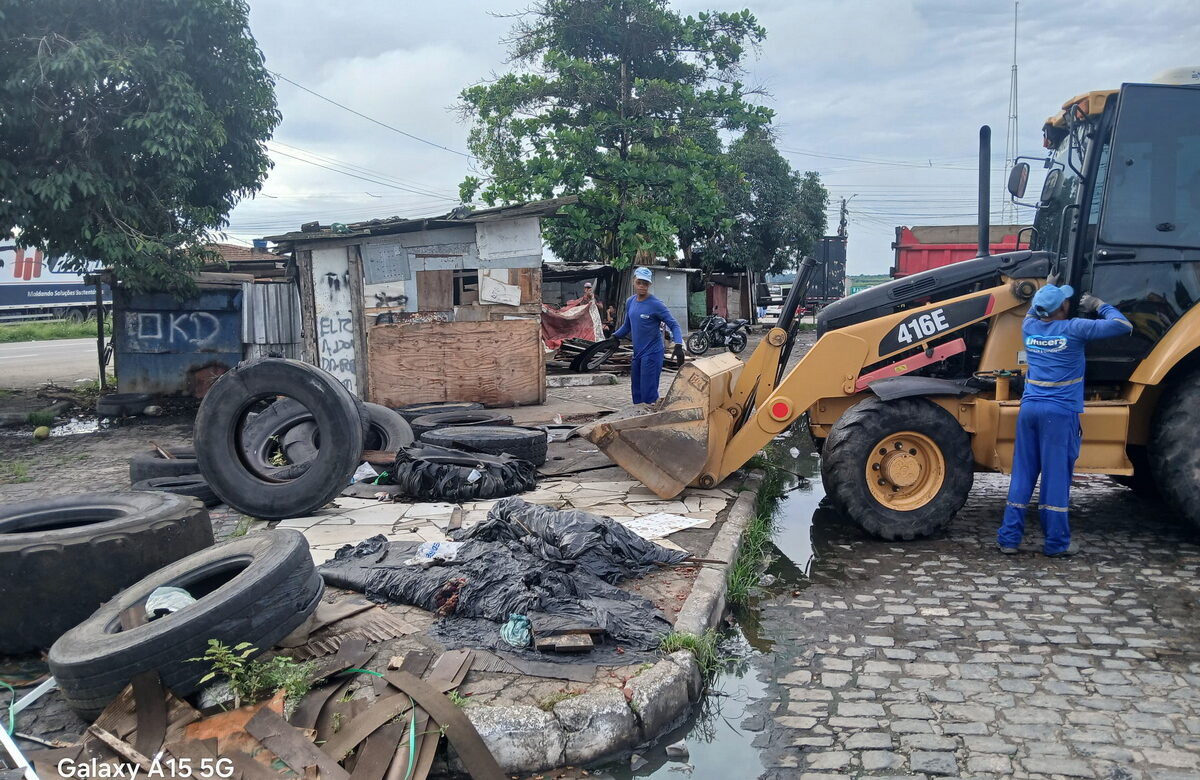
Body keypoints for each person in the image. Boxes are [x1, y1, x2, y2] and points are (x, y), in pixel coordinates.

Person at [997, 284, 1132, 557]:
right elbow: (1122, 326)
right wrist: (1098, 305)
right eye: (1065, 301)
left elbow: (1034, 312)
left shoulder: (1029, 328)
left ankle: (1009, 539)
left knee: (1022, 475)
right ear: (1062, 308)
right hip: (1059, 414)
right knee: (1056, 478)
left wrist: (1044, 292)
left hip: (1030, 409)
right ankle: (1056, 543)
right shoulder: (1075, 328)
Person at [610, 267, 684, 408]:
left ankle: (650, 423)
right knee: (636, 393)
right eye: (639, 282)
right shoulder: (630, 302)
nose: (642, 286)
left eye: (646, 283)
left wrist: (678, 344)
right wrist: (615, 336)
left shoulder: (656, 304)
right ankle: (638, 421)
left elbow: (674, 325)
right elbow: (627, 325)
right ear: (634, 281)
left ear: (649, 284)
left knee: (648, 394)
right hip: (637, 354)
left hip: (652, 353)